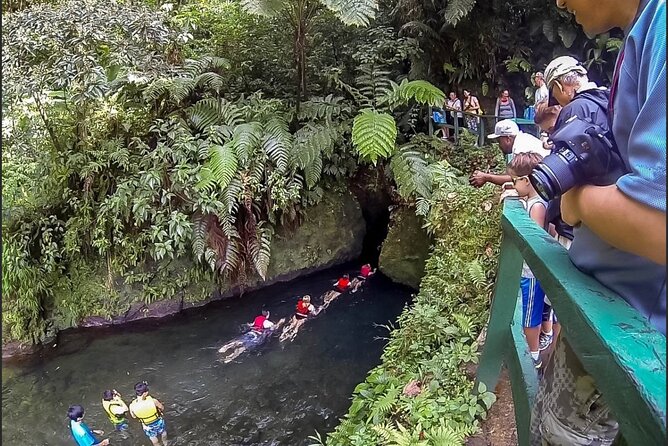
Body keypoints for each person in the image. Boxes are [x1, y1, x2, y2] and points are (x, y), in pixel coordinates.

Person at [530, 0, 666, 444]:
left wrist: (577, 202)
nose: (559, 3)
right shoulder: (644, 30)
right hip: (613, 309)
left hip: (632, 326)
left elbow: (659, 225)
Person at [505, 152, 550, 369]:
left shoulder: (537, 206)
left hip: (531, 272)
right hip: (534, 272)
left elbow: (534, 238)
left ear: (526, 180)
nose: (513, 186)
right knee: (540, 309)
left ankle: (534, 355)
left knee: (530, 313)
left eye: (514, 181)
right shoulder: (534, 201)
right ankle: (542, 340)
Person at [469, 119, 549, 188]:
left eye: (499, 141)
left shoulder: (521, 148)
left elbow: (515, 178)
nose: (499, 145)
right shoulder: (523, 139)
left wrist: (486, 177)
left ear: (508, 139)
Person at [129, 381, 167, 446]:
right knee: (163, 432)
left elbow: (134, 416)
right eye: (147, 391)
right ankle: (165, 443)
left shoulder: (132, 406)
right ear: (144, 393)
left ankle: (157, 445)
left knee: (152, 437)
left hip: (147, 425)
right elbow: (162, 408)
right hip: (158, 421)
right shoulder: (153, 401)